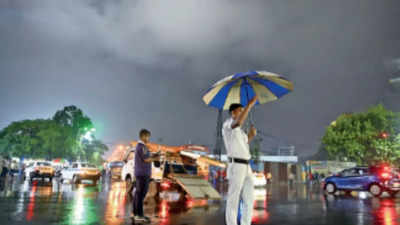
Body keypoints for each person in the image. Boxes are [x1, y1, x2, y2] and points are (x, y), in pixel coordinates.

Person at [222, 96, 258, 225]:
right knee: (234, 198)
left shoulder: (241, 132)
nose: (243, 113)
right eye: (240, 110)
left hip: (246, 166)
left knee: (249, 199)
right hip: (236, 165)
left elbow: (243, 145)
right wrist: (249, 104)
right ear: (233, 112)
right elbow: (237, 123)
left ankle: (245, 223)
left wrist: (251, 136)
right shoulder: (227, 125)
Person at [131, 129, 159, 223]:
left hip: (140, 173)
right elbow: (146, 159)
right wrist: (155, 158)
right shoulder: (142, 147)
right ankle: (139, 215)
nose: (148, 138)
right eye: (148, 136)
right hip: (143, 174)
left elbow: (146, 157)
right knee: (141, 194)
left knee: (138, 194)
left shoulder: (141, 146)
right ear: (143, 136)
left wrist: (153, 156)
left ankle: (135, 213)